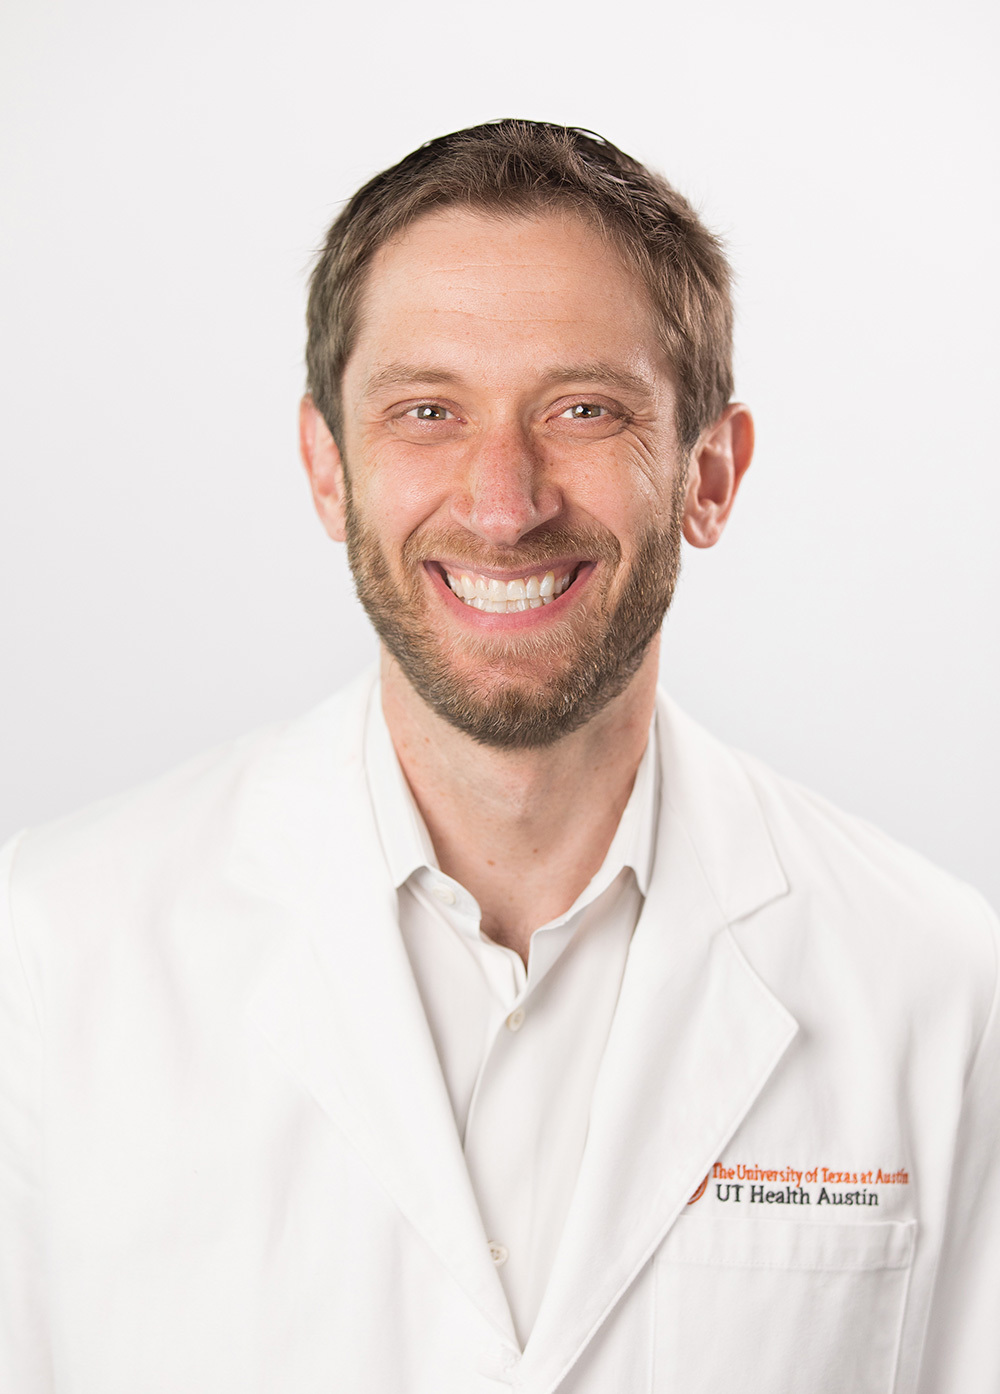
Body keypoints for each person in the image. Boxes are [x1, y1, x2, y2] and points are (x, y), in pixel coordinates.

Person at [1, 120, 997, 1394]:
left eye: (583, 408)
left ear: (709, 472)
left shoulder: (931, 978)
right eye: (427, 410)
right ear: (326, 466)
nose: (502, 499)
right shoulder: (53, 946)